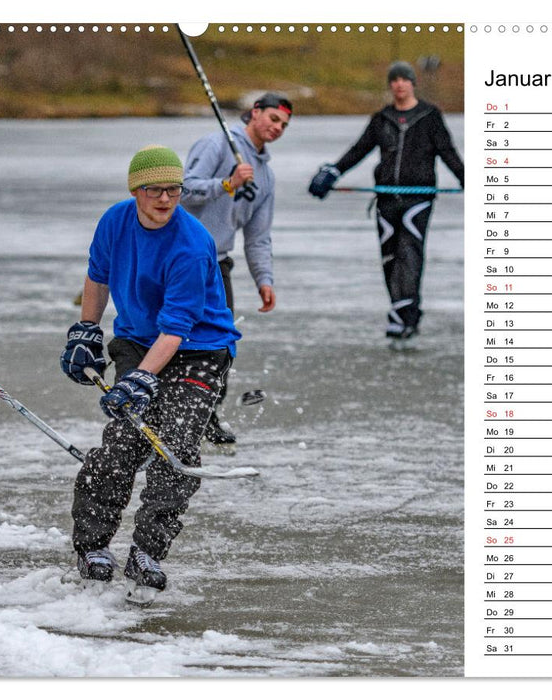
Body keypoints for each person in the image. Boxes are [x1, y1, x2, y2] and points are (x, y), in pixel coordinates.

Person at [60, 145, 240, 597]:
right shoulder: (114, 222)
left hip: (199, 349)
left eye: (174, 190)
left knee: (174, 445)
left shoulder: (193, 244)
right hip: (138, 339)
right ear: (135, 190)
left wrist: (142, 379)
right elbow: (98, 278)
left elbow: (176, 329)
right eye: (154, 190)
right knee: (122, 442)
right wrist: (86, 330)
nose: (165, 199)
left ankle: (148, 551)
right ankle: (93, 545)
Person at [308, 61, 464, 347]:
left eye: (405, 79)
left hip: (418, 199)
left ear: (413, 83)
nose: (400, 84)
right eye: (395, 80)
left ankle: (406, 317)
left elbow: (447, 151)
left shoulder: (430, 116)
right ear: (391, 85)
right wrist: (331, 172)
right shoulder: (382, 119)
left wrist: (466, 177)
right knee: (390, 258)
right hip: (386, 199)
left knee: (410, 255)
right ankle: (399, 310)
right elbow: (359, 149)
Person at [181, 91, 291, 446]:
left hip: (218, 264)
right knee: (173, 336)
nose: (277, 128)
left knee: (222, 345)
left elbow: (258, 237)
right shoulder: (217, 144)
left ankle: (206, 416)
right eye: (273, 119)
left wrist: (265, 279)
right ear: (255, 113)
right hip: (181, 257)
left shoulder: (267, 177)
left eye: (284, 125)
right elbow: (179, 192)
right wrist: (226, 184)